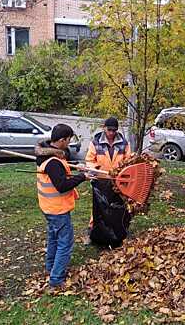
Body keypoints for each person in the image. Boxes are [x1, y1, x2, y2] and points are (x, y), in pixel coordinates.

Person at [35, 124, 88, 292]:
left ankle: (51, 268)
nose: (69, 143)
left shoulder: (47, 151)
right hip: (57, 209)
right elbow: (62, 185)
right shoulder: (52, 163)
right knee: (65, 243)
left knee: (54, 238)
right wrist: (82, 177)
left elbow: (60, 174)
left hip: (48, 207)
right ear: (61, 140)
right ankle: (56, 279)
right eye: (68, 140)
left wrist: (76, 167)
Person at [84, 117, 132, 247]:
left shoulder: (123, 143)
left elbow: (128, 162)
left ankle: (118, 231)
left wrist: (122, 174)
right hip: (101, 180)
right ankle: (92, 231)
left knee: (117, 207)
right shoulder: (96, 142)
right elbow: (89, 160)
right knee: (99, 207)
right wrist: (97, 170)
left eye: (114, 130)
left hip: (118, 181)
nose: (111, 133)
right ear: (104, 127)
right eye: (109, 129)